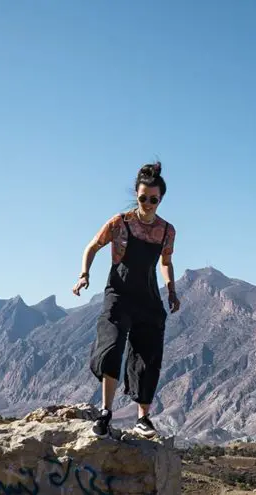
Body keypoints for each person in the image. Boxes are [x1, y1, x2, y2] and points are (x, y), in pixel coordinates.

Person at [72, 162, 181, 438]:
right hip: (119, 293)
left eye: (153, 199)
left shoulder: (167, 231)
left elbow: (165, 262)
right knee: (111, 346)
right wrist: (84, 275)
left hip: (148, 296)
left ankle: (143, 418)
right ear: (136, 194)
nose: (148, 203)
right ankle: (106, 411)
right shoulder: (120, 223)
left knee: (148, 355)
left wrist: (171, 290)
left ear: (161, 199)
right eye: (143, 198)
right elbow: (92, 246)